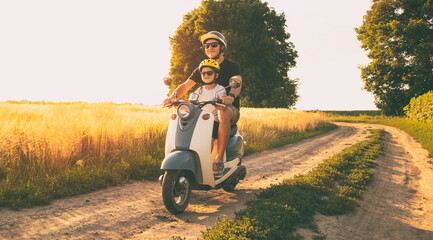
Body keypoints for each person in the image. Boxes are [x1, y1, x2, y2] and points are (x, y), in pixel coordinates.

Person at [163, 31, 242, 177]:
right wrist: (171, 98)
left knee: (223, 112)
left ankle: (218, 159)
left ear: (222, 47)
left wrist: (230, 96)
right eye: (207, 45)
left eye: (214, 45)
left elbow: (237, 83)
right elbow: (186, 86)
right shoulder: (204, 67)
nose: (209, 48)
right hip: (207, 110)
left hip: (229, 109)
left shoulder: (232, 66)